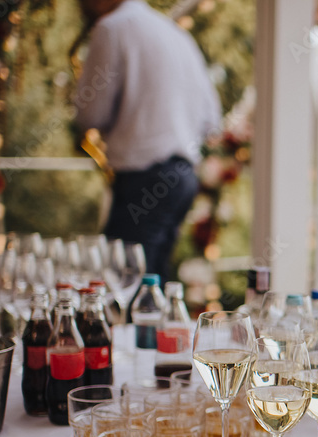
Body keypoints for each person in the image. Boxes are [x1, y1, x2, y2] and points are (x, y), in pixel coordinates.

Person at [73, 0, 221, 283]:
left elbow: (90, 114)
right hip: (183, 176)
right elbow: (211, 119)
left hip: (144, 179)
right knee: (153, 283)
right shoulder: (177, 33)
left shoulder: (111, 28)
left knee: (122, 286)